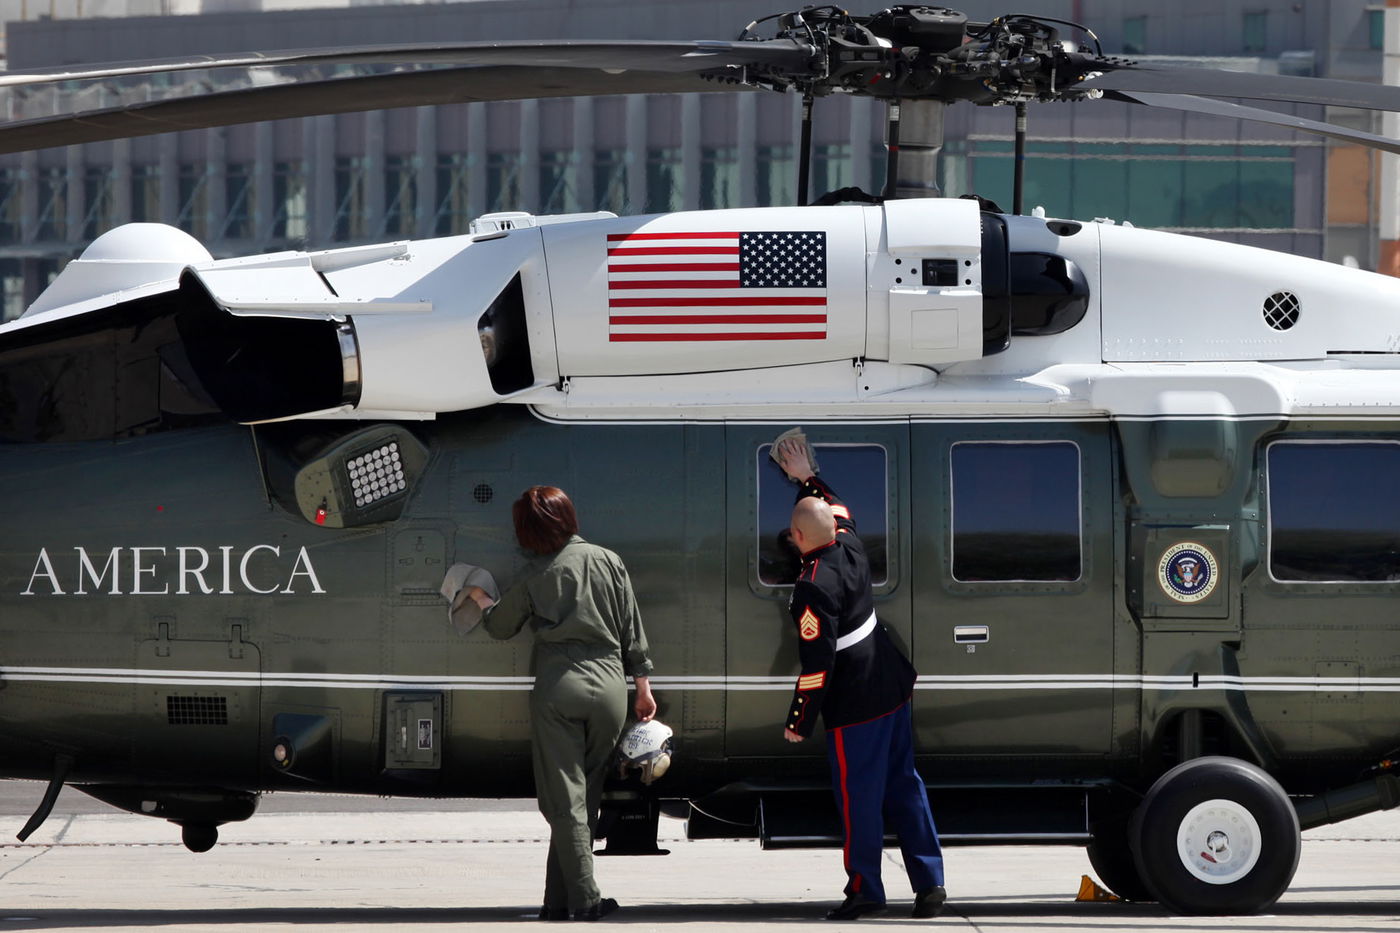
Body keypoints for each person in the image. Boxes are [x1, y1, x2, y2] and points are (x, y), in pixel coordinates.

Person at [774, 436, 947, 921]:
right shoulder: (849, 543)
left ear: (800, 537)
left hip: (856, 701)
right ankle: (930, 884)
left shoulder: (811, 586)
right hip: (891, 683)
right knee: (905, 785)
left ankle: (866, 890)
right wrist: (807, 478)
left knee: (859, 797)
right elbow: (837, 507)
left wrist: (799, 721)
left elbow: (817, 665)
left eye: (792, 534)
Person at [466, 485, 656, 922]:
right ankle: (557, 902)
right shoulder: (610, 561)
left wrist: (480, 599)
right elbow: (633, 630)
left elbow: (499, 627)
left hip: (560, 687)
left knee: (563, 802)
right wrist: (642, 687)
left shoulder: (537, 575)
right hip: (611, 689)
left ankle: (586, 899)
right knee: (584, 798)